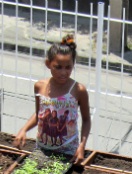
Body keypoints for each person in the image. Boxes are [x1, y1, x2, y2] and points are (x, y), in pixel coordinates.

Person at [14, 34, 91, 164]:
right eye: (58, 67)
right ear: (48, 64)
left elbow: (86, 119)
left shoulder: (78, 89)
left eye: (68, 67)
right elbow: (39, 114)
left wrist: (82, 145)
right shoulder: (39, 86)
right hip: (42, 149)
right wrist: (24, 129)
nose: (63, 72)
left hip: (68, 153)